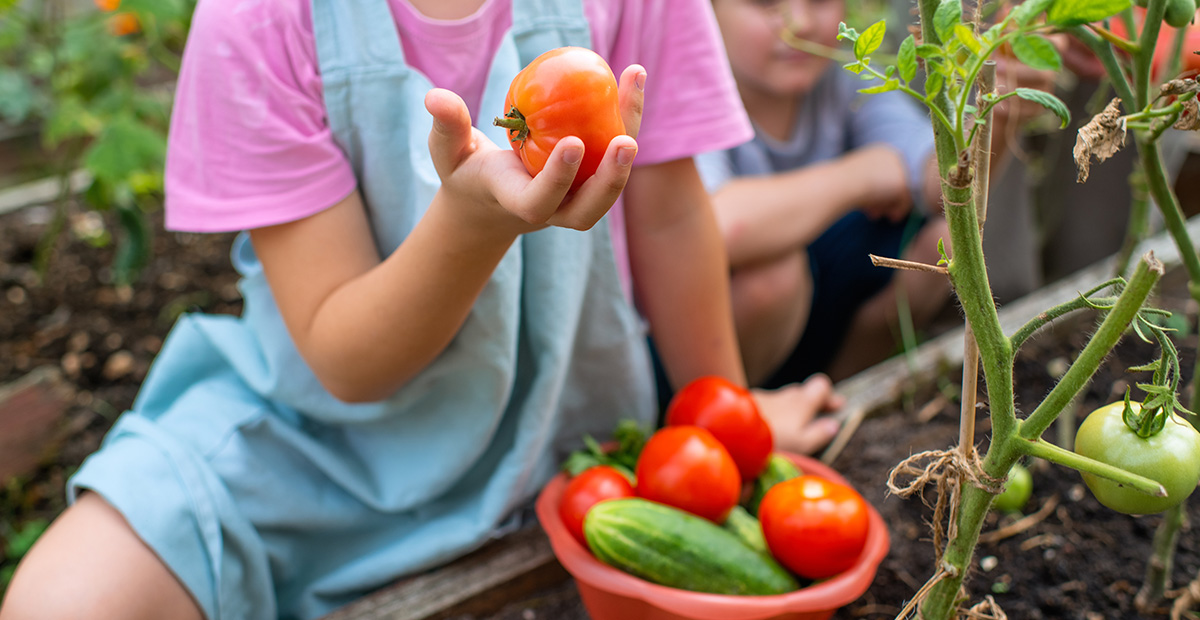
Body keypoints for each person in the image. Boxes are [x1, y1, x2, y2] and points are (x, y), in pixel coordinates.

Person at [0, 1, 842, 620]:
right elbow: (347, 361)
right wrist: (471, 223)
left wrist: (725, 433)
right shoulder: (256, 22)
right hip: (312, 451)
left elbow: (669, 212)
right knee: (65, 601)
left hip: (563, 420)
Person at [697, 0, 954, 387]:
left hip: (817, 319)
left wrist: (996, 103)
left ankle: (842, 395)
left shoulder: (846, 78)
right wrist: (860, 176)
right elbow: (712, 228)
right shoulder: (692, 95)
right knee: (773, 277)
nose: (798, 23)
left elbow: (944, 186)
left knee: (945, 242)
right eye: (766, 2)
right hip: (709, 342)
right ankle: (730, 416)